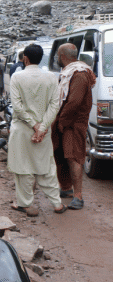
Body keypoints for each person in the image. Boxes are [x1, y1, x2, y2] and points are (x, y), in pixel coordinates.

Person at [8, 44, 66, 217]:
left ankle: (25, 204)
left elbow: (17, 107)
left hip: (22, 129)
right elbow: (55, 105)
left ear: (25, 58)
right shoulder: (51, 77)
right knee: (47, 166)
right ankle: (57, 204)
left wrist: (33, 125)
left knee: (23, 167)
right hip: (43, 130)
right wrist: (41, 128)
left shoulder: (17, 77)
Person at [52, 43, 96, 210]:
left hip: (72, 123)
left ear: (62, 56)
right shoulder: (71, 72)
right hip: (65, 122)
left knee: (73, 157)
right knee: (61, 155)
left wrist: (62, 121)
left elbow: (74, 103)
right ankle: (66, 188)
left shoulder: (78, 74)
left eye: (57, 55)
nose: (56, 58)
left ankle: (78, 195)